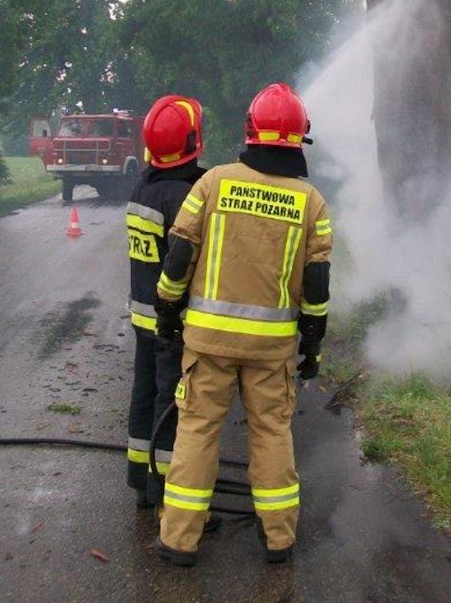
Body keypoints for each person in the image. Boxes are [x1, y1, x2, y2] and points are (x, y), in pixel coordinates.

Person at [154, 82, 332, 568]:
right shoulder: (311, 202)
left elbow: (179, 256)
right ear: (299, 137)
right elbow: (316, 288)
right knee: (272, 433)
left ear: (250, 130)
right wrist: (312, 347)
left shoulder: (212, 184)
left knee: (197, 433)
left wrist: (167, 312)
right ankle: (278, 539)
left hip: (208, 343)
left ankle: (180, 540)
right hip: (271, 352)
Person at [125, 94, 207, 513]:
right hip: (171, 321)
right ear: (192, 141)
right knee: (171, 407)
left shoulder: (145, 187)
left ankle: (141, 481)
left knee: (144, 394)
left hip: (143, 315)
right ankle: (166, 494)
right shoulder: (183, 199)